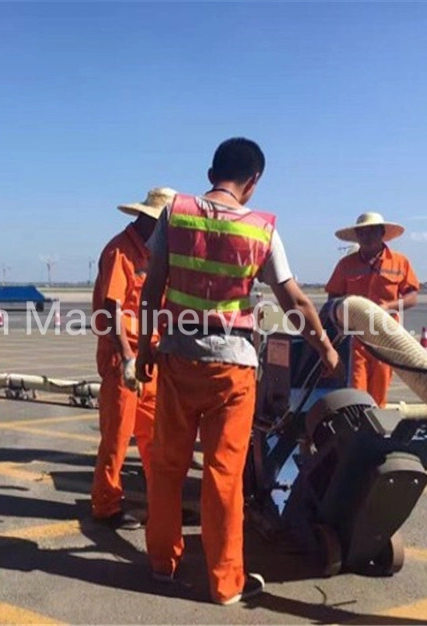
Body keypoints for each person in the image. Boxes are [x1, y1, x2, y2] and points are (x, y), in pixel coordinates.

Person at [136, 138, 341, 606]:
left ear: (211, 171)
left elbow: (152, 289)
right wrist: (325, 346)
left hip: (177, 359)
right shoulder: (262, 229)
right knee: (223, 474)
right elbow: (293, 300)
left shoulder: (176, 213)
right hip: (232, 367)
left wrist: (147, 345)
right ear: (253, 181)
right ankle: (225, 581)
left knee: (167, 465)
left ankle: (162, 563)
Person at [90, 187, 176, 530]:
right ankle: (106, 505)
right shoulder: (120, 251)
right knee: (116, 435)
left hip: (149, 356)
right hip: (121, 357)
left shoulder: (155, 253)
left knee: (155, 437)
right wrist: (126, 357)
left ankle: (163, 503)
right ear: (147, 219)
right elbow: (112, 308)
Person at [326, 213, 420, 407]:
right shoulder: (346, 265)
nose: (367, 237)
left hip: (386, 338)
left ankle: (376, 431)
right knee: (356, 390)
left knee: (380, 389)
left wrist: (388, 307)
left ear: (382, 233)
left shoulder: (400, 262)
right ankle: (358, 429)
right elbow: (333, 298)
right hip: (355, 339)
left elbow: (411, 297)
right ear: (357, 237)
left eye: (372, 232)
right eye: (362, 233)